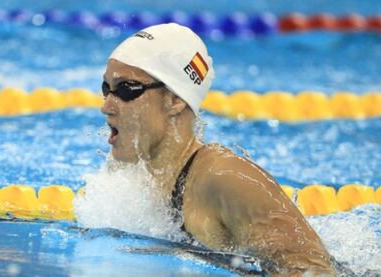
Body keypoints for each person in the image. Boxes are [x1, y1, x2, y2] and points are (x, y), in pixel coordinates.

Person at [101, 23, 335, 276]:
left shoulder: (226, 178)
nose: (107, 106)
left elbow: (312, 270)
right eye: (106, 89)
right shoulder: (127, 172)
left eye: (126, 89)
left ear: (175, 99)